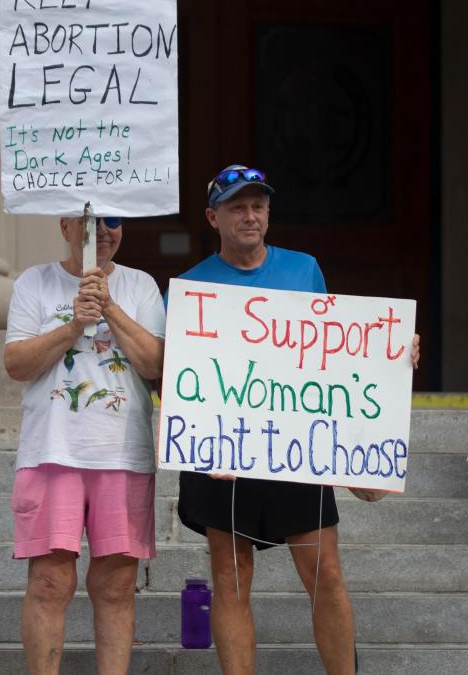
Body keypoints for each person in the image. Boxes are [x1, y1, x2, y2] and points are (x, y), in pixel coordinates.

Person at [175, 164, 420, 675]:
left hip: (295, 449)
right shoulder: (190, 286)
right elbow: (174, 375)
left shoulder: (305, 268)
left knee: (325, 574)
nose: (250, 216)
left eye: (258, 206)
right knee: (231, 576)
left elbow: (334, 354)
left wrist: (393, 353)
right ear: (212, 216)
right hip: (223, 453)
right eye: (237, 207)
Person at [3, 215, 166, 675]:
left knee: (116, 584)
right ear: (65, 227)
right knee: (51, 582)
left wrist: (109, 307)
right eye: (91, 221)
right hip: (51, 451)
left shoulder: (141, 285)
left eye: (112, 221)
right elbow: (16, 362)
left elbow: (156, 364)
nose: (104, 232)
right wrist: (74, 325)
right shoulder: (35, 281)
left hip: (122, 453)